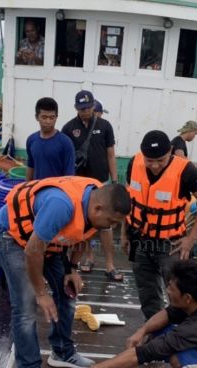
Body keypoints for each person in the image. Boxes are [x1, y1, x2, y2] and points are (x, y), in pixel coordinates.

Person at [0, 177, 131, 368]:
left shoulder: (96, 205)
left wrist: (72, 269)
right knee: (26, 308)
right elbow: (32, 252)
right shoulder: (61, 205)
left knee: (68, 292)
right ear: (98, 208)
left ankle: (62, 351)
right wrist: (41, 293)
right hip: (15, 238)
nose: (112, 227)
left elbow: (82, 235)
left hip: (47, 241)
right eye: (111, 221)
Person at [121, 130, 197, 320]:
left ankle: (180, 331)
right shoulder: (134, 163)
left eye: (160, 160)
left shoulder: (186, 170)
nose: (154, 166)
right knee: (147, 292)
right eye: (149, 160)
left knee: (178, 291)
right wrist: (124, 233)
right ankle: (154, 330)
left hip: (170, 244)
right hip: (139, 240)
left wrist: (190, 239)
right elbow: (129, 201)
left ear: (171, 151)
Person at [62, 90, 122, 281]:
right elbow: (65, 157)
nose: (85, 111)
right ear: (75, 108)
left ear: (93, 105)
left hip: (101, 183)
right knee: (85, 223)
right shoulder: (69, 128)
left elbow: (111, 154)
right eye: (81, 108)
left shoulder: (105, 126)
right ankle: (88, 257)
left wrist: (115, 180)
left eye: (88, 107)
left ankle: (110, 264)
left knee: (106, 226)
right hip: (79, 186)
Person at [25, 97, 76, 181]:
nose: (48, 121)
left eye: (52, 117)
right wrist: (26, 187)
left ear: (56, 117)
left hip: (56, 192)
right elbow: (31, 165)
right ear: (37, 117)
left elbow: (69, 176)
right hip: (37, 191)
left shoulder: (66, 143)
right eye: (44, 117)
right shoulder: (31, 140)